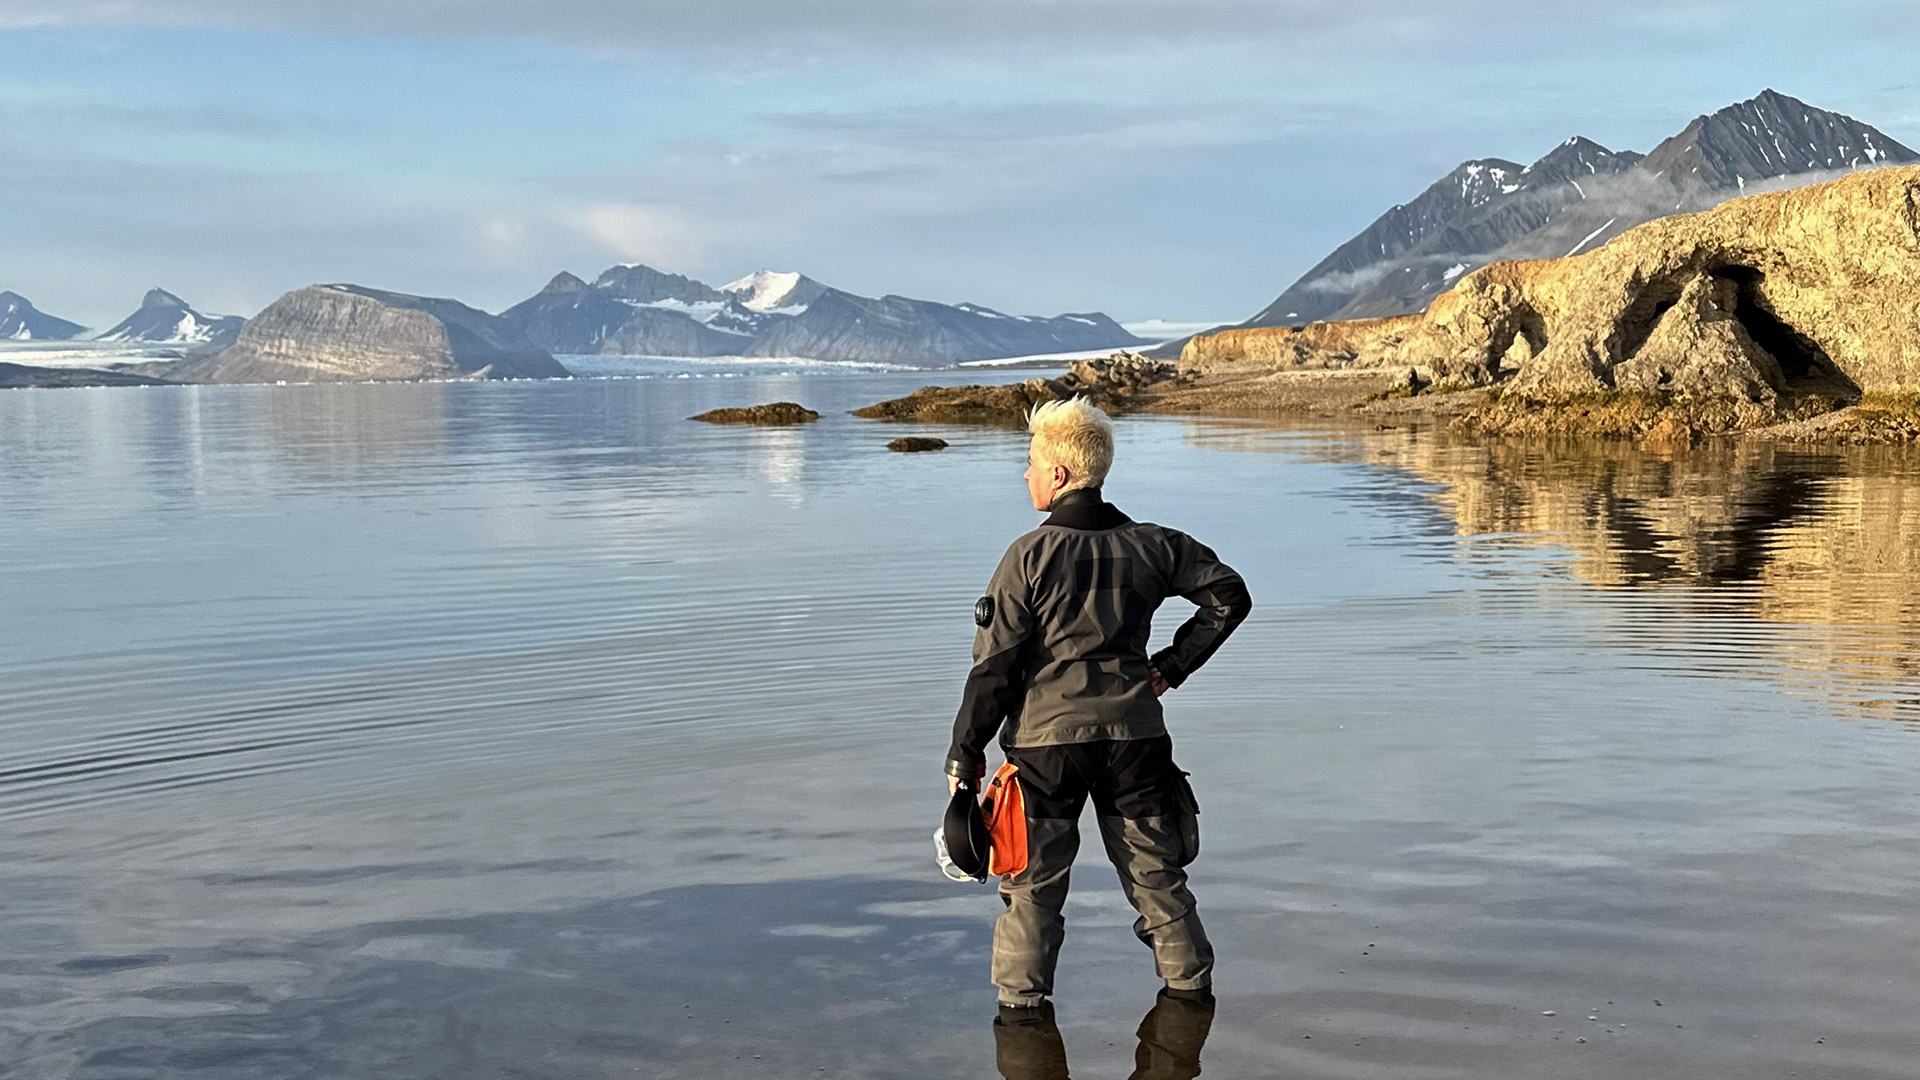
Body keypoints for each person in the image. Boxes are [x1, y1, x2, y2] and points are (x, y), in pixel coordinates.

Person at [945, 397, 1253, 1010]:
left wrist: (964, 757)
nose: (1024, 474)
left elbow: (995, 670)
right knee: (1160, 883)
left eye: (1030, 461)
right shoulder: (1154, 544)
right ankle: (1191, 1012)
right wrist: (1171, 665)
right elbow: (1229, 596)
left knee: (1031, 895)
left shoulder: (1026, 557)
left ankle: (1023, 1032)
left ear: (1059, 474)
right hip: (1134, 742)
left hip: (1043, 753)